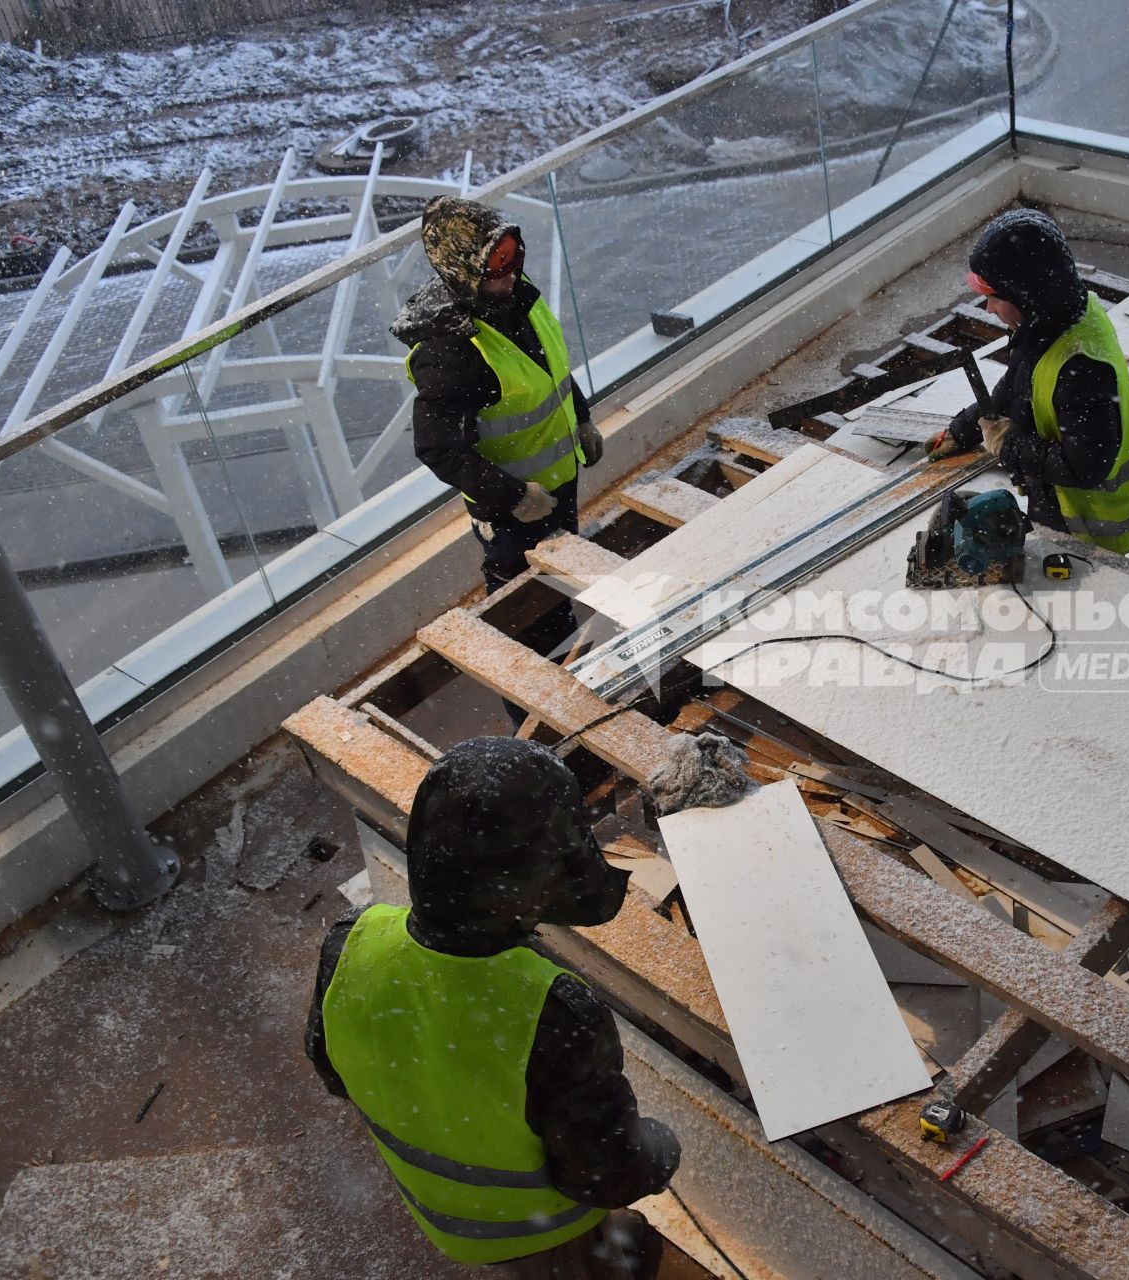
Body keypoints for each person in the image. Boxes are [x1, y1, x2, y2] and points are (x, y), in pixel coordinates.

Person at [305, 737, 680, 1277]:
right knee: (628, 1258)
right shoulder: (554, 1011)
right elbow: (603, 1176)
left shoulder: (351, 941)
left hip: (435, 1211)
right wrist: (661, 1149)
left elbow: (333, 1072)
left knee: (624, 1243)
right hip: (537, 1232)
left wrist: (436, 1090)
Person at [394, 196, 601, 713]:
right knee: (526, 619)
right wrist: (512, 497)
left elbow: (549, 371)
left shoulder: (520, 301)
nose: (509, 274)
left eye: (514, 257)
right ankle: (536, 723)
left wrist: (581, 417)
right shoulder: (452, 351)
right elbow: (438, 447)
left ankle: (570, 688)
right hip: (513, 514)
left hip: (557, 485)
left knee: (556, 596)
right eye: (495, 265)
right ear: (463, 272)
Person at [925, 209, 1129, 555]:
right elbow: (1018, 384)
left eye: (996, 298)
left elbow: (1084, 468)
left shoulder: (1082, 370)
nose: (988, 309)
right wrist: (965, 428)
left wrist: (1009, 446)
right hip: (1057, 501)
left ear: (1027, 295)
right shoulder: (1052, 320)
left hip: (1094, 529)